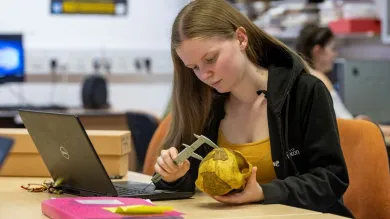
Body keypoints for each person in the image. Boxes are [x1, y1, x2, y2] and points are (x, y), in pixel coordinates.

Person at [153, 0, 354, 218]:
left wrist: (263, 192)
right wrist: (174, 177)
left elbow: (331, 179)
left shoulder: (305, 92)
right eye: (194, 68)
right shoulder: (205, 104)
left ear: (241, 38)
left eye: (210, 59)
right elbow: (192, 189)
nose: (204, 75)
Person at [295, 23, 390, 136]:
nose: (335, 54)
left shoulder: (300, 75)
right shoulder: (318, 79)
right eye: (333, 49)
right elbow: (347, 124)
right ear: (318, 51)